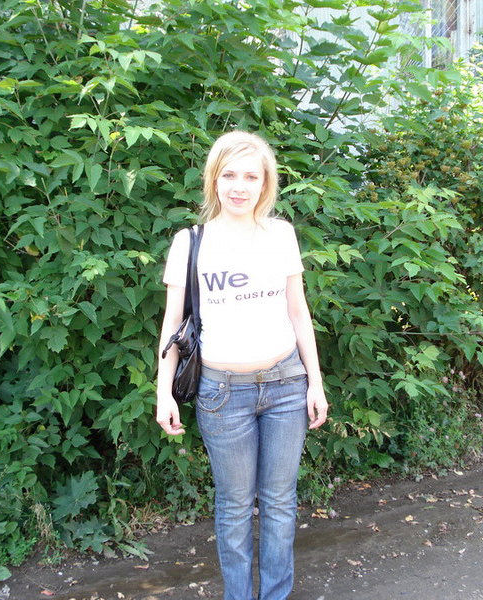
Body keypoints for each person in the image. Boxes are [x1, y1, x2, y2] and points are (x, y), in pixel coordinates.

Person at [156, 130, 328, 600]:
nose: (239, 186)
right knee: (234, 506)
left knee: (279, 501)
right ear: (214, 180)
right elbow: (172, 324)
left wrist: (315, 383)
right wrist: (163, 392)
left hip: (286, 385)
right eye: (229, 175)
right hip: (221, 393)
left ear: (265, 183)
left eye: (251, 177)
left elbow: (299, 312)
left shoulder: (281, 235)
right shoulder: (190, 242)